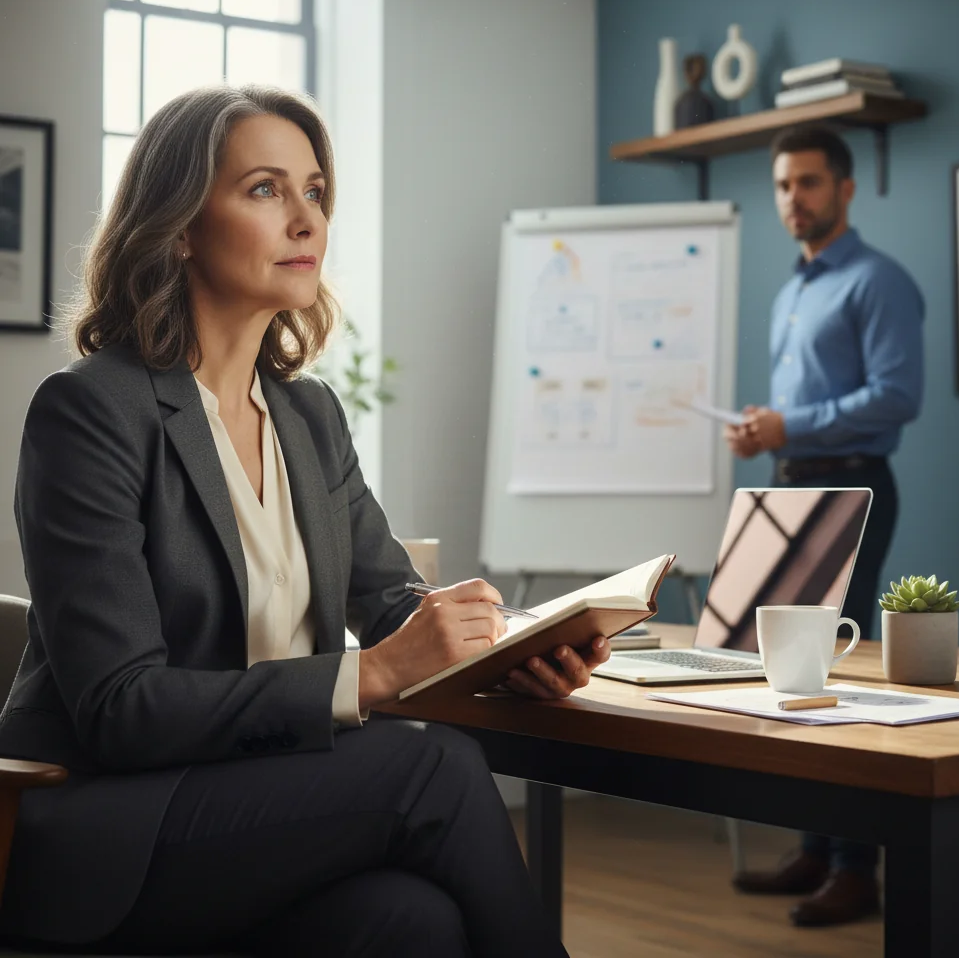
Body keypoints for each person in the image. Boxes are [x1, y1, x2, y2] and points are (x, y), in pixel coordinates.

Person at [0, 85, 611, 956]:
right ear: (177, 225)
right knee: (429, 764)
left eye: (314, 191)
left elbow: (392, 597)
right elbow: (121, 709)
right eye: (264, 189)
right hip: (110, 829)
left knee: (414, 922)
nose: (305, 221)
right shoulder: (90, 412)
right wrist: (369, 678)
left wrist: (506, 651)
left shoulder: (308, 417)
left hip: (258, 808)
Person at [725, 126, 924, 928]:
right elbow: (798, 414)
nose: (791, 200)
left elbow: (896, 398)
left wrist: (790, 427)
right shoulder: (794, 290)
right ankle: (815, 846)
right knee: (792, 674)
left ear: (844, 189)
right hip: (793, 489)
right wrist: (764, 433)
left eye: (807, 183)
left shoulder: (879, 282)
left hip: (853, 487)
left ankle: (855, 867)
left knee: (834, 675)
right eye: (781, 185)